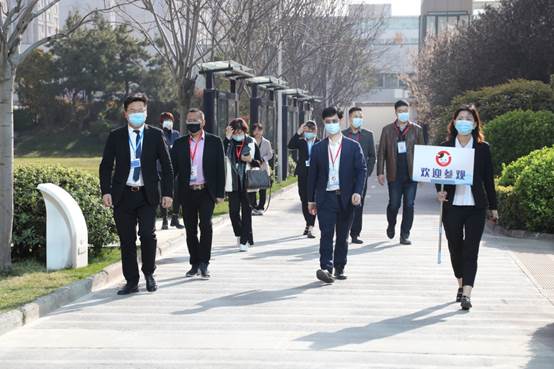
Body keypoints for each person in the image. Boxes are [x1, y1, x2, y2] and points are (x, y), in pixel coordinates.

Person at [99, 94, 173, 295]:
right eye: (132, 111)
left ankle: (149, 273)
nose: (137, 114)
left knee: (148, 235)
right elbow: (106, 166)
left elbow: (167, 167)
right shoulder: (116, 136)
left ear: (146, 112)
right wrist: (106, 191)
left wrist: (168, 193)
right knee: (127, 239)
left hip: (147, 195)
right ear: (125, 114)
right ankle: (131, 280)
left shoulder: (156, 135)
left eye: (140, 110)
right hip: (123, 195)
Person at [436, 105, 498, 311]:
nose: (464, 121)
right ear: (454, 122)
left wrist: (493, 207)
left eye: (468, 118)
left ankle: (467, 294)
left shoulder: (482, 148)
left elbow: (488, 180)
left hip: (475, 208)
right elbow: (439, 177)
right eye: (460, 118)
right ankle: (460, 283)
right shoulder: (445, 147)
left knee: (471, 250)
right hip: (452, 206)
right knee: (455, 247)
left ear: (474, 124)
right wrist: (440, 192)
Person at [308, 107, 367, 283]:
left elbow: (361, 170)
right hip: (326, 197)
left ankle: (339, 267)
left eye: (334, 121)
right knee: (326, 233)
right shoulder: (318, 148)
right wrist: (311, 200)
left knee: (342, 235)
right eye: (328, 122)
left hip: (346, 197)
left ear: (339, 121)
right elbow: (312, 176)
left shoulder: (353, 146)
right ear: (324, 124)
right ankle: (326, 267)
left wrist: (357, 192)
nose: (332, 125)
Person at [170, 108, 225, 280]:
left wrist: (220, 193)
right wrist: (168, 192)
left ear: (203, 122)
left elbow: (220, 170)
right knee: (190, 229)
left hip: (206, 191)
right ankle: (194, 263)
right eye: (189, 120)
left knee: (206, 226)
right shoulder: (179, 144)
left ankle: (204, 263)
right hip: (187, 192)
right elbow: (172, 170)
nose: (192, 123)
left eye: (195, 120)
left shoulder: (215, 142)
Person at [377, 100, 425, 245]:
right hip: (394, 174)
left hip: (411, 174)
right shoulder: (387, 130)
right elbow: (381, 152)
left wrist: (422, 174)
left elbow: (422, 152)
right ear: (396, 112)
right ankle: (391, 225)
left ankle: (405, 234)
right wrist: (380, 172)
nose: (403, 113)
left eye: (406, 110)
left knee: (409, 205)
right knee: (394, 204)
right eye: (400, 111)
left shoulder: (417, 130)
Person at [224, 118, 262, 252]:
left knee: (246, 212)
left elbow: (260, 162)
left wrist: (251, 160)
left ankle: (245, 240)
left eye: (240, 130)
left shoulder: (251, 142)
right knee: (233, 212)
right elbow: (221, 155)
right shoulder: (228, 143)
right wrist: (227, 139)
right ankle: (240, 233)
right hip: (232, 183)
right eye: (235, 131)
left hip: (247, 183)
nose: (238, 133)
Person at [342, 107, 376, 244]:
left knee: (358, 204)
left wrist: (367, 172)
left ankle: (355, 234)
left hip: (361, 176)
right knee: (344, 204)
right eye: (355, 116)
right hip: (344, 176)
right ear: (349, 118)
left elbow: (372, 156)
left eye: (360, 116)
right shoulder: (342, 134)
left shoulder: (368, 135)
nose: (358, 119)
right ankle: (343, 232)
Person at [288, 120, 319, 238]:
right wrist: (299, 131)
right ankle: (308, 223)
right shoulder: (301, 142)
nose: (308, 133)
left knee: (313, 201)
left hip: (315, 176)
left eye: (310, 131)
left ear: (315, 131)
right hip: (303, 175)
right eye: (306, 131)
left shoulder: (320, 143)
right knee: (304, 200)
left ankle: (311, 226)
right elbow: (290, 145)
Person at [159, 112, 184, 230]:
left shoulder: (176, 134)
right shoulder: (159, 134)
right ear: (161, 123)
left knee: (177, 193)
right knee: (164, 193)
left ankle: (175, 217)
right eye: (165, 120)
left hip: (175, 168)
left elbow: (179, 149)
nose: (168, 122)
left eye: (170, 120)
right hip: (161, 169)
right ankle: (164, 219)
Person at [250, 123, 274, 216]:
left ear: (262, 131)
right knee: (252, 188)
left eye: (259, 130)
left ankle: (260, 207)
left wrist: (263, 158)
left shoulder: (266, 142)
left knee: (262, 189)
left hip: (263, 168)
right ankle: (253, 206)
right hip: (252, 167)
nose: (257, 132)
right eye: (255, 130)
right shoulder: (250, 141)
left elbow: (270, 154)